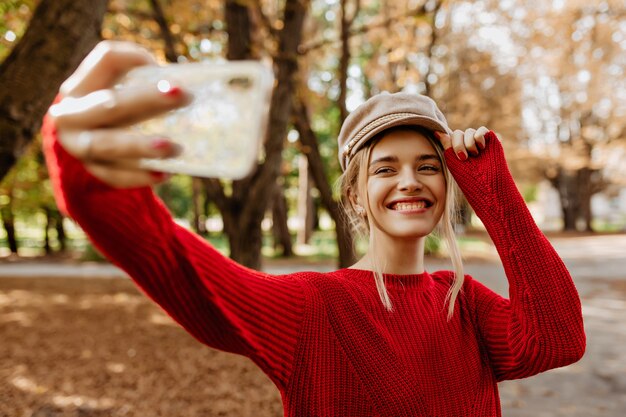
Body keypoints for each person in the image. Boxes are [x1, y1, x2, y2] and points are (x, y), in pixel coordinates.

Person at [42, 41, 585, 416]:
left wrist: (494, 190)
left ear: (447, 185)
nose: (409, 182)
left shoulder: (463, 302)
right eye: (385, 168)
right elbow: (190, 277)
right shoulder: (314, 307)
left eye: (427, 166)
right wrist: (96, 192)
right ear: (355, 193)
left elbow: (557, 340)